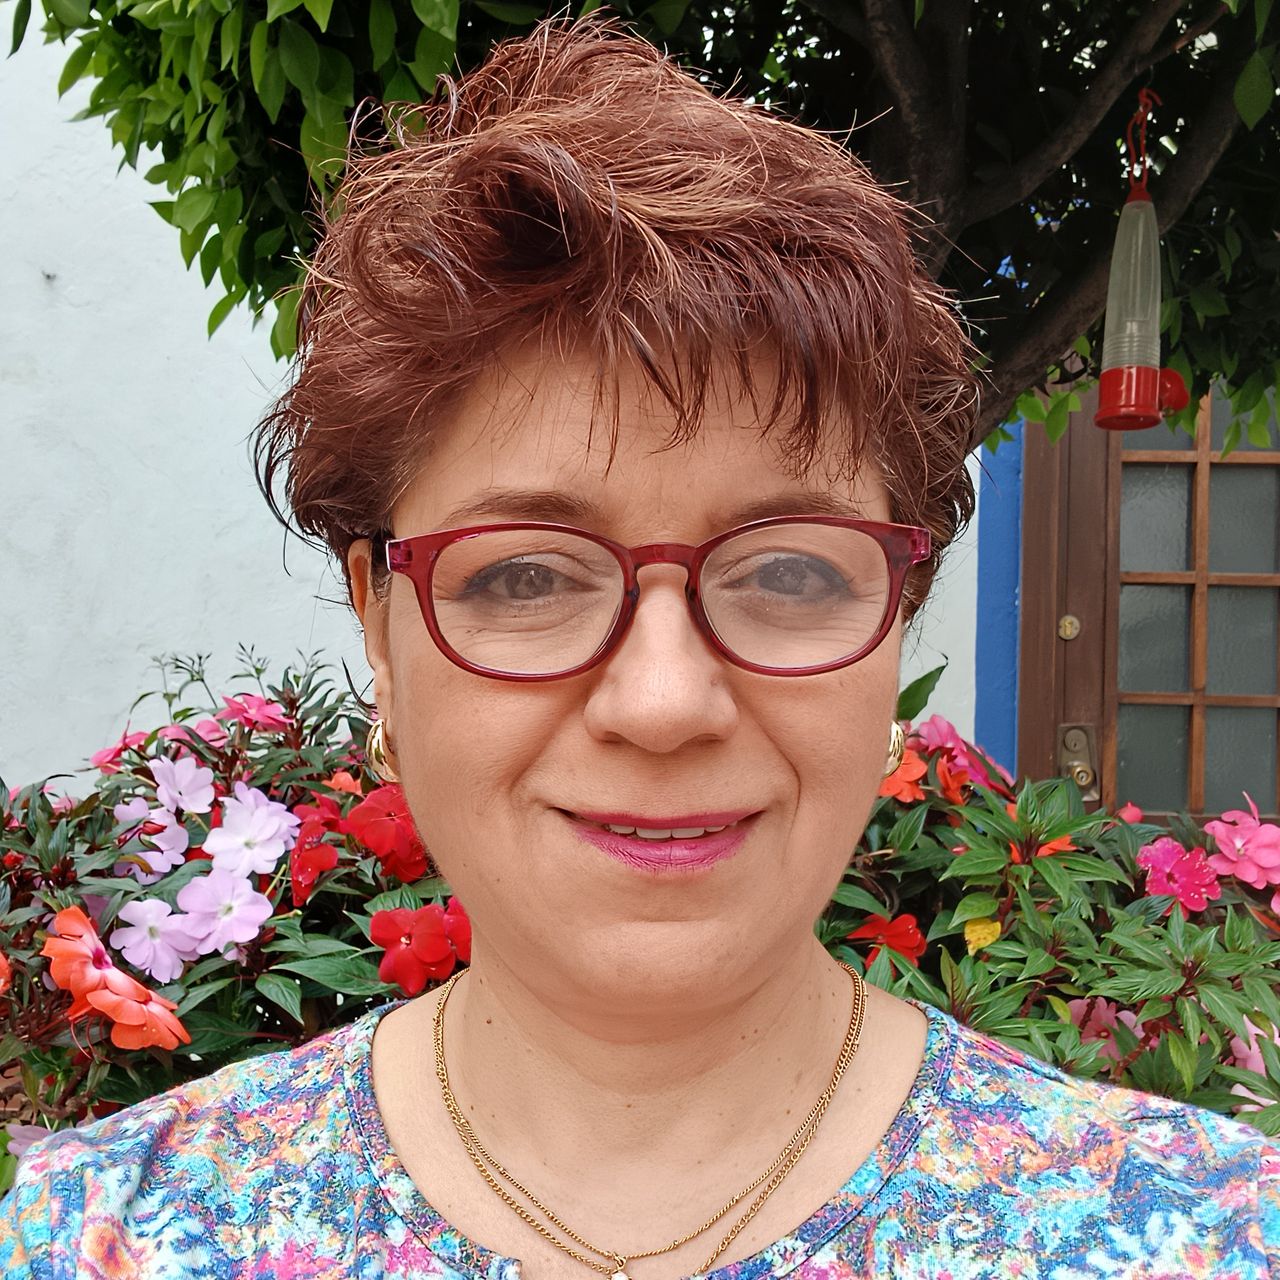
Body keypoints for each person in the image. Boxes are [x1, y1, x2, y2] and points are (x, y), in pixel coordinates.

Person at [2, 17, 1277, 1279]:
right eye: (524, 574)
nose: (663, 700)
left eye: (785, 571)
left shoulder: (1200, 1234)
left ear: (896, 619)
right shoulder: (108, 1237)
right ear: (380, 622)